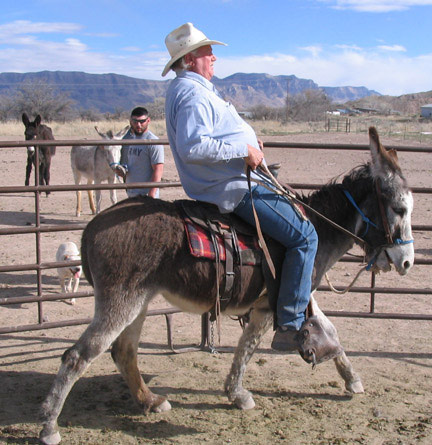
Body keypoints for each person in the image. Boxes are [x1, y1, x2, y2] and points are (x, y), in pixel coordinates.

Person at [163, 23, 319, 351]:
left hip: (231, 179)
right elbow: (193, 146)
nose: (214, 56)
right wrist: (244, 150)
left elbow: (211, 137)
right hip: (230, 187)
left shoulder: (194, 89)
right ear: (190, 59)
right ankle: (289, 325)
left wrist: (247, 141)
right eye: (207, 51)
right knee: (305, 236)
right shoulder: (191, 93)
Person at [115, 107, 164, 199]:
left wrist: (151, 195)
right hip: (131, 193)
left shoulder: (153, 141)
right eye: (135, 121)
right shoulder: (128, 140)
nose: (138, 125)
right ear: (130, 121)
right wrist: (122, 171)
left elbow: (158, 169)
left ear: (148, 120)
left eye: (142, 121)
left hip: (146, 195)